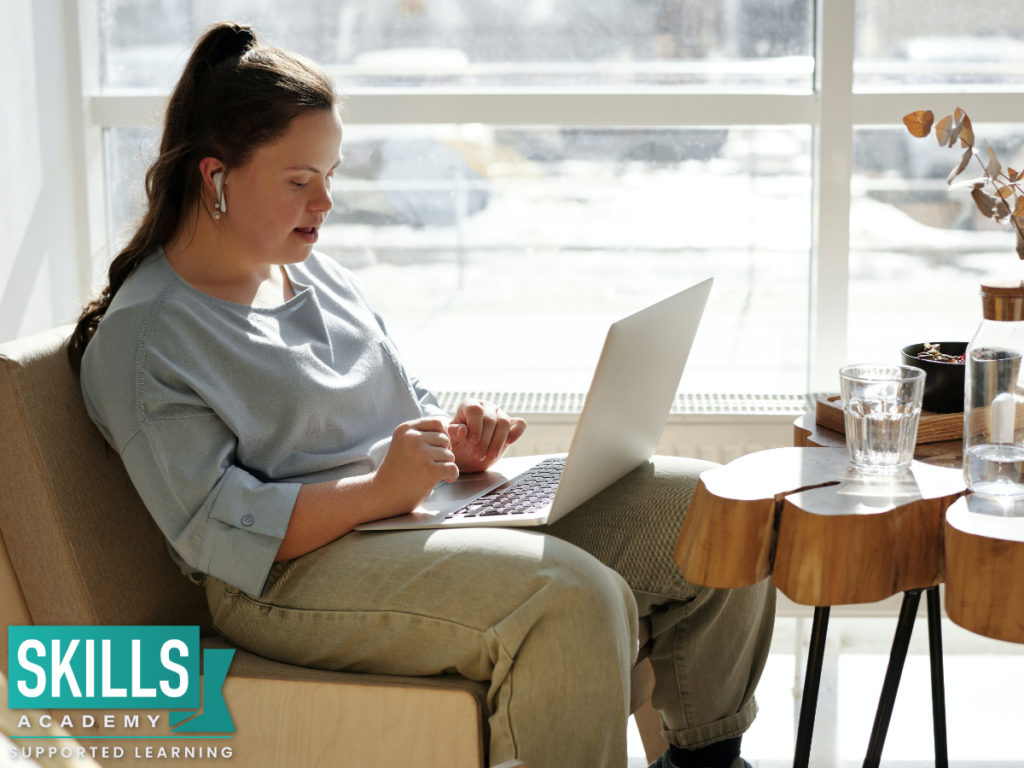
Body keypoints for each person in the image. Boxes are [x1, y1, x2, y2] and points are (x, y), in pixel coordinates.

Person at [68, 21, 775, 768]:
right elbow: (217, 532)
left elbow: (405, 402)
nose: (326, 202)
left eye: (331, 175)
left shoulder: (314, 273)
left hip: (412, 518)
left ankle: (706, 762)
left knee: (717, 507)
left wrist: (453, 442)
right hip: (286, 579)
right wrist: (379, 491)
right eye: (300, 180)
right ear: (215, 178)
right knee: (571, 600)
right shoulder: (146, 341)